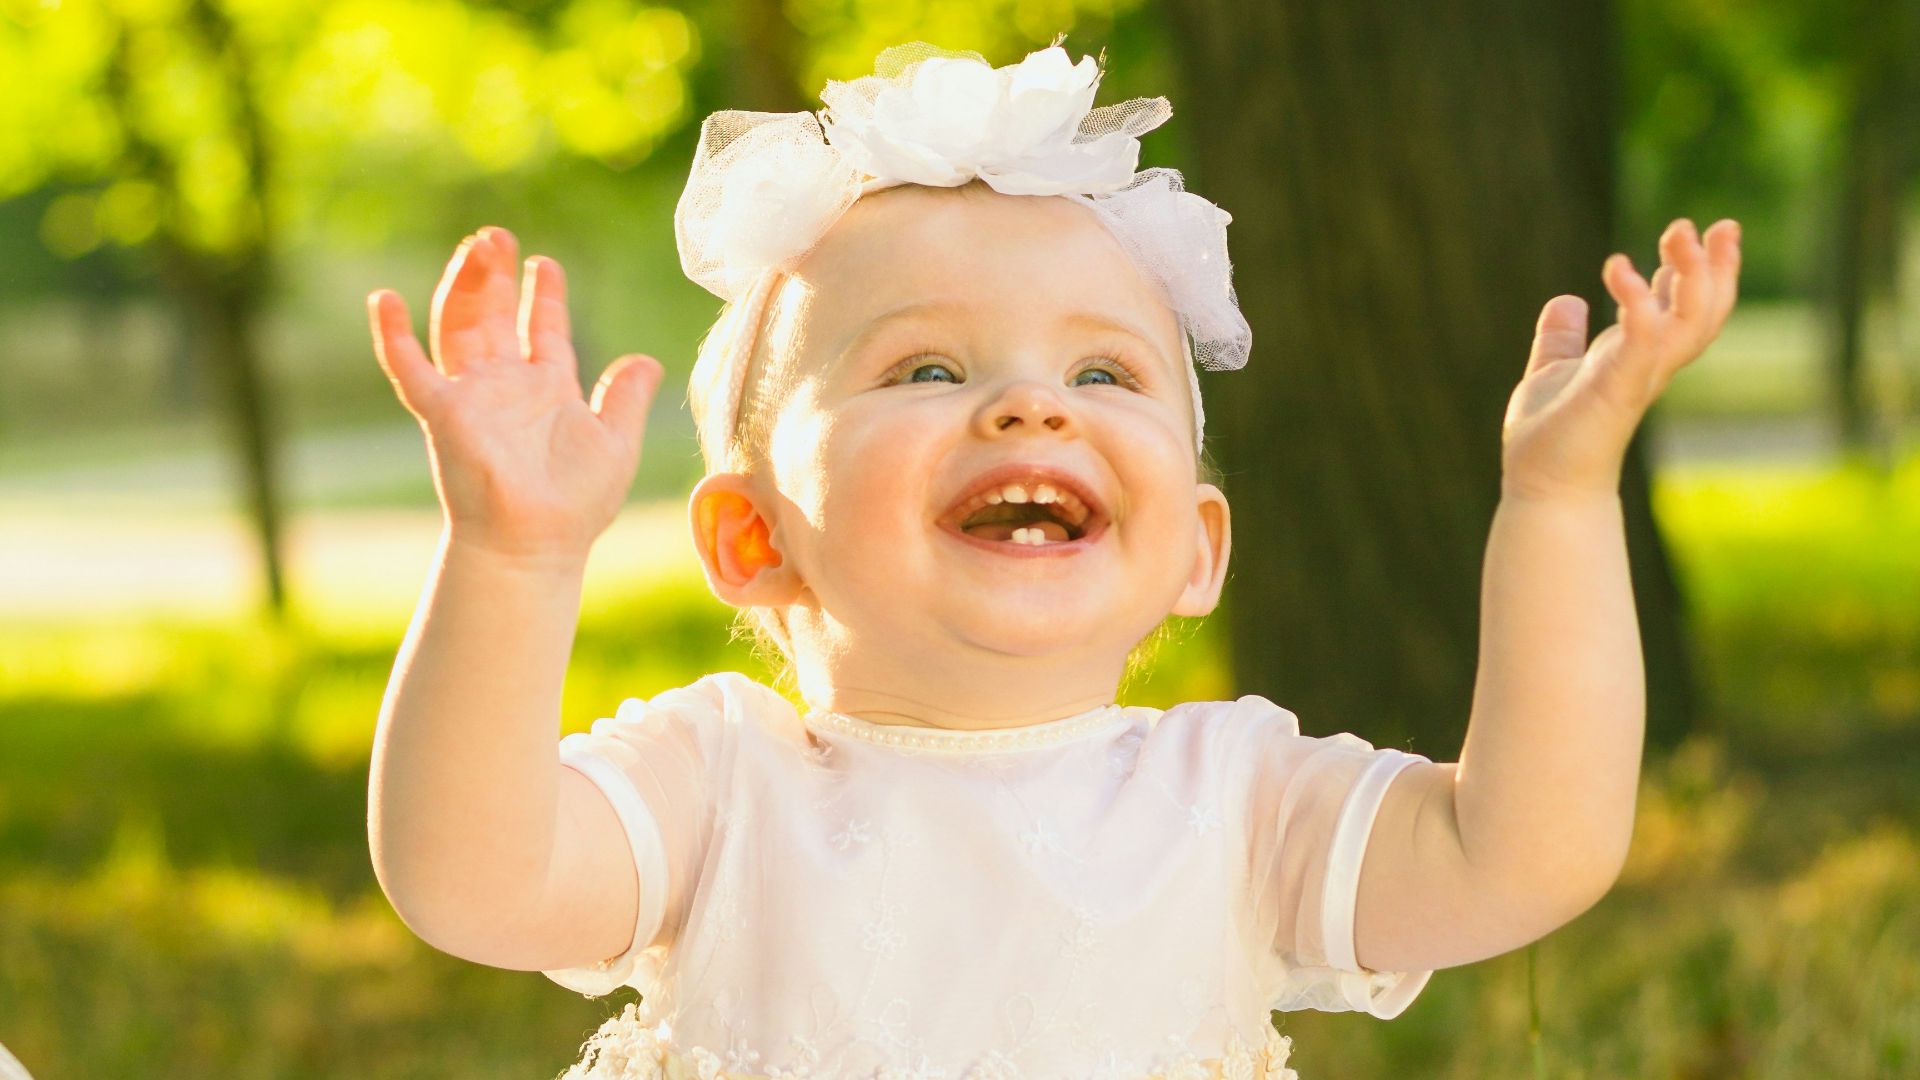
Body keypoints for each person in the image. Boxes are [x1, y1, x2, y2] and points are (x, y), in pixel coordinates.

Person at [364, 37, 1742, 1080]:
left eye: (1102, 368)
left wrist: (1559, 501)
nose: (1034, 406)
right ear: (753, 536)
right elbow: (467, 878)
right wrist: (513, 559)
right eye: (926, 365)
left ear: (1199, 548)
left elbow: (1523, 856)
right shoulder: (719, 787)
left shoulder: (1236, 801)